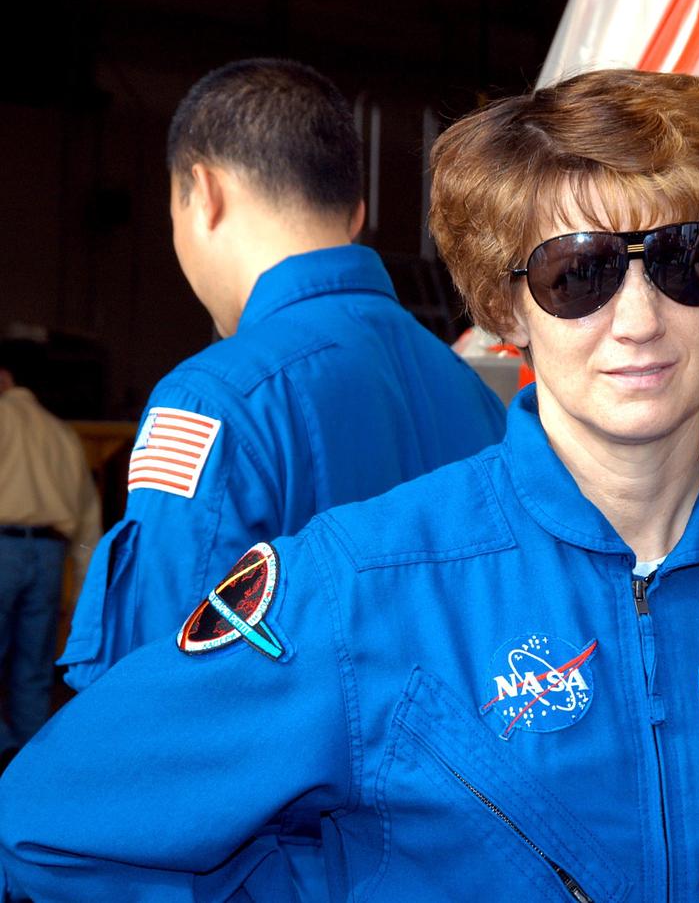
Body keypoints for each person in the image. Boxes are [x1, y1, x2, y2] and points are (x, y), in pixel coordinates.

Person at [0, 68, 699, 901]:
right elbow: (54, 833)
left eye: (685, 260)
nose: (639, 319)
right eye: (579, 274)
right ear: (506, 309)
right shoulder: (352, 593)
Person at [58, 58, 506, 692]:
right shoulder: (477, 395)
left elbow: (154, 691)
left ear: (203, 191)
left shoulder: (213, 401)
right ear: (355, 214)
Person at [0, 340, 100, 764]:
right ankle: (28, 761)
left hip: (3, 546)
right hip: (49, 556)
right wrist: (80, 587)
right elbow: (88, 518)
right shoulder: (63, 433)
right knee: (33, 667)